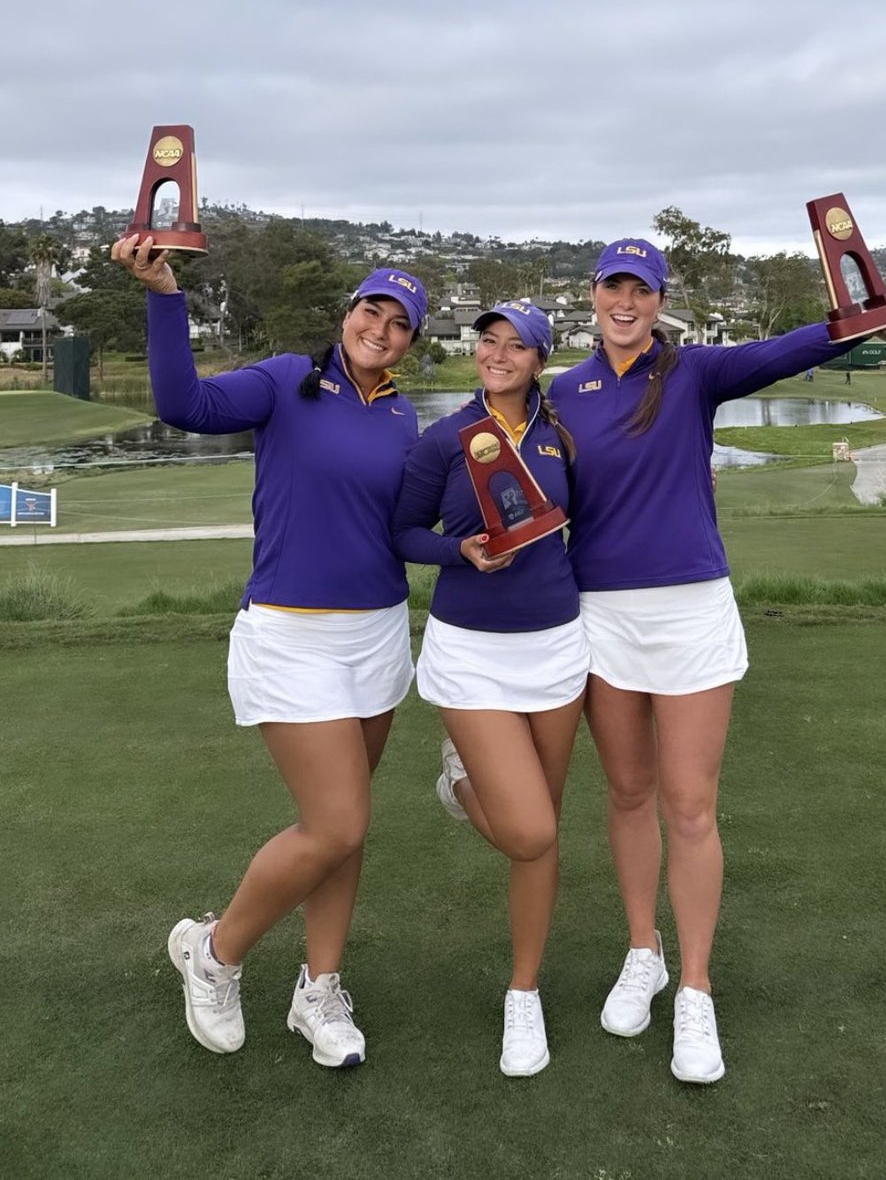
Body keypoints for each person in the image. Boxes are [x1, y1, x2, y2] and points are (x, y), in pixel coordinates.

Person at [548, 238, 886, 1083]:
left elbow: (789, 348)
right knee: (629, 793)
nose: (624, 302)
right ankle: (641, 950)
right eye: (613, 286)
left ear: (658, 300)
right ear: (593, 294)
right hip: (600, 614)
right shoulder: (561, 394)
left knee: (688, 806)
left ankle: (695, 990)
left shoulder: (693, 373)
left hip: (689, 611)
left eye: (640, 290)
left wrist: (873, 322)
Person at [111, 234, 428, 1068]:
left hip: (377, 635)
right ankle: (213, 953)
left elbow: (408, 525)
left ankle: (318, 993)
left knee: (345, 834)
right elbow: (186, 405)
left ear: (411, 343)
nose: (382, 328)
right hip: (290, 635)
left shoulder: (403, 414)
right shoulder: (289, 378)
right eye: (372, 310)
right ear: (347, 314)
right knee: (336, 820)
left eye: (400, 324)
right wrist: (164, 295)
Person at [392, 300, 588, 1077]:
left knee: (540, 835)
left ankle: (523, 991)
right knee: (531, 832)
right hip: (470, 651)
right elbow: (402, 533)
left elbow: (595, 510)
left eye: (517, 346)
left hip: (555, 644)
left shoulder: (559, 433)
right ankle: (463, 776)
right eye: (488, 342)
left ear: (540, 359)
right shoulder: (443, 438)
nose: (498, 355)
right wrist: (458, 552)